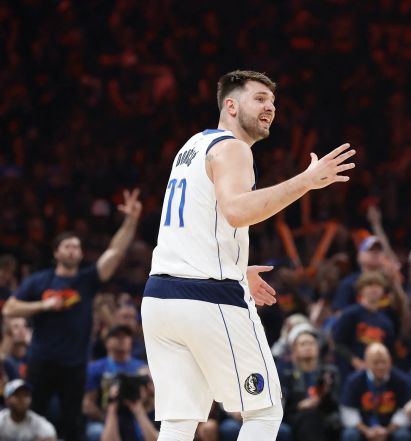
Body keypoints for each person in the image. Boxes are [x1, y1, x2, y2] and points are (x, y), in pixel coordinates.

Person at [141, 69, 355, 441]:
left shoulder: (192, 146)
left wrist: (238, 268)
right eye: (259, 99)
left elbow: (198, 222)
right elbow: (237, 211)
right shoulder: (234, 148)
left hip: (160, 299)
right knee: (265, 411)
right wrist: (306, 181)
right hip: (206, 297)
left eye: (272, 101)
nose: (269, 107)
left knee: (179, 422)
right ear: (230, 105)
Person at [2, 190, 142, 441]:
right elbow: (9, 308)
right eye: (67, 246)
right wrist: (43, 306)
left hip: (75, 364)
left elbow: (114, 252)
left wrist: (131, 220)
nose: (73, 250)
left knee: (73, 425)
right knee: (34, 419)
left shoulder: (87, 280)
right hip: (41, 360)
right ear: (56, 253)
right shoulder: (40, 280)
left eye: (76, 247)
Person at [84, 325, 147, 441]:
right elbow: (87, 404)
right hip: (104, 417)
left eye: (126, 336)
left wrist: (143, 398)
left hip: (136, 415)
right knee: (96, 431)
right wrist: (107, 414)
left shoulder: (142, 369)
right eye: (116, 336)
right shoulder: (95, 368)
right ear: (106, 342)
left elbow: (152, 402)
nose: (122, 340)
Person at [339, 343, 411, 441]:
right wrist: (366, 431)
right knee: (350, 434)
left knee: (403, 435)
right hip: (363, 426)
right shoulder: (353, 381)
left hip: (391, 426)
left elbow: (406, 412)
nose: (380, 366)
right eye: (375, 362)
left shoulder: (402, 381)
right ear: (366, 363)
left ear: (390, 361)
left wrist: (387, 430)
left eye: (384, 362)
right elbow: (348, 412)